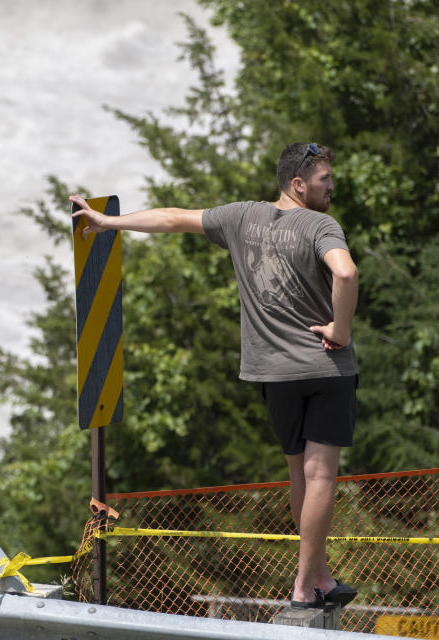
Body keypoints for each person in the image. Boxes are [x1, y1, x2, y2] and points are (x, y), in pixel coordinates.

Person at [69, 142, 359, 609]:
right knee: (321, 474)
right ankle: (305, 586)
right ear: (299, 184)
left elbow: (172, 218)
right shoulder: (321, 225)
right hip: (326, 366)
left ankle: (320, 577)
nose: (332, 188)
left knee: (297, 476)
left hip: (273, 373)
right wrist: (339, 332)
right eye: (326, 180)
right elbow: (346, 274)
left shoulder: (240, 217)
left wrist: (109, 223)